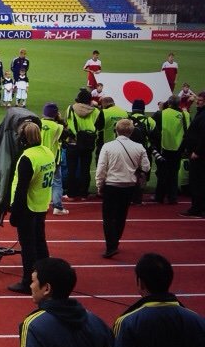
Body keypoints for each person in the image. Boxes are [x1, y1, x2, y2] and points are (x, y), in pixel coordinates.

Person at [6, 121, 55, 293]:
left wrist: (15, 212)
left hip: (28, 205)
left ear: (23, 138)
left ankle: (28, 281)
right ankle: (46, 276)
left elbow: (21, 187)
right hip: (41, 203)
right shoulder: (47, 152)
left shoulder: (27, 157)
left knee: (28, 246)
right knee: (40, 242)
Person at [96, 118, 150, 258]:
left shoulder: (108, 146)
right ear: (131, 131)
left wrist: (99, 184)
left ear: (116, 130)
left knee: (108, 217)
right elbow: (146, 167)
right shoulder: (139, 147)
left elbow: (101, 168)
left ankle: (111, 245)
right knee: (121, 215)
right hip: (129, 186)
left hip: (111, 185)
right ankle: (115, 242)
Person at [65, 88, 103, 200]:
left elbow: (66, 122)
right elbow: (100, 126)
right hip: (88, 143)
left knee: (71, 169)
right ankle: (83, 194)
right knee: (85, 169)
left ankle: (71, 194)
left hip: (73, 142)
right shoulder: (96, 111)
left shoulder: (70, 109)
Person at [151, 95, 190, 204]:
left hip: (163, 148)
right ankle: (172, 197)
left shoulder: (160, 114)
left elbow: (153, 130)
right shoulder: (185, 115)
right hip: (178, 148)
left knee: (162, 173)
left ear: (169, 103)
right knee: (173, 173)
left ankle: (159, 196)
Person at [181, 90, 205, 217]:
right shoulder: (201, 113)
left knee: (198, 182)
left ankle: (197, 208)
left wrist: (197, 151)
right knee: (198, 181)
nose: (197, 103)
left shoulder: (203, 115)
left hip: (199, 155)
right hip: (197, 153)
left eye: (200, 101)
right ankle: (198, 207)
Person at [41, 103, 68, 215]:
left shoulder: (38, 123)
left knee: (39, 182)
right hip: (53, 158)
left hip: (38, 157)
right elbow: (67, 134)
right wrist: (60, 119)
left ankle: (41, 205)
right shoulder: (59, 127)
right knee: (56, 182)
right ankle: (57, 207)